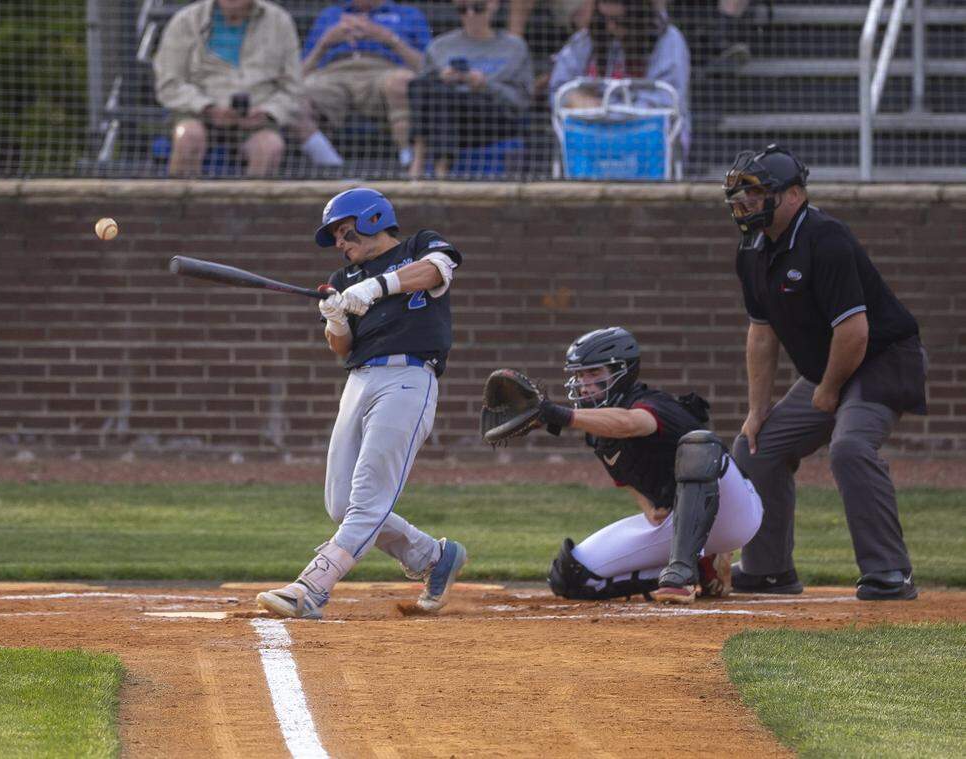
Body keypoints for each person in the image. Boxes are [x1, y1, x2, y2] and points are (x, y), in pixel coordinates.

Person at [726, 145, 927, 601]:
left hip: (883, 359)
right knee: (755, 449)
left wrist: (830, 389)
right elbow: (761, 334)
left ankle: (889, 572)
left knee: (851, 446)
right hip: (832, 368)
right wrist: (757, 411)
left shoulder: (826, 238)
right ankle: (768, 569)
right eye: (741, 195)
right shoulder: (752, 250)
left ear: (794, 195)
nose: (746, 205)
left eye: (757, 194)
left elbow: (855, 331)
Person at [256, 188, 467, 620]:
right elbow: (341, 346)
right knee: (340, 504)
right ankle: (432, 556)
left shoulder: (418, 245)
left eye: (344, 232)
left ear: (373, 220)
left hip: (408, 378)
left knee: (368, 501)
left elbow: (435, 271)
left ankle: (312, 588)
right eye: (335, 235)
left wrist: (378, 286)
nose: (340, 243)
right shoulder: (341, 279)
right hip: (359, 381)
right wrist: (334, 317)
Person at [518, 327, 763, 604]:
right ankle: (704, 566)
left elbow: (629, 423)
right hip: (679, 521)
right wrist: (650, 509)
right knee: (571, 577)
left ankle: (680, 574)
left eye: (594, 373)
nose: (583, 384)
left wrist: (559, 415)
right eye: (579, 375)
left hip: (733, 510)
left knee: (699, 443)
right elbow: (627, 481)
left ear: (622, 372)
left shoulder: (649, 403)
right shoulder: (597, 429)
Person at [152, 0, 301, 178]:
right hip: (197, 111)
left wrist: (268, 112)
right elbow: (169, 83)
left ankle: (250, 204)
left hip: (257, 115)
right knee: (188, 135)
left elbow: (293, 88)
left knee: (270, 146)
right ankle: (180, 203)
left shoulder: (280, 22)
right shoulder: (186, 20)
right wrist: (208, 108)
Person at [292, 0, 431, 170]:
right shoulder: (330, 15)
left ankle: (407, 161)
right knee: (294, 97)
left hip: (384, 71)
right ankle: (333, 167)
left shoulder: (408, 14)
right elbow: (300, 73)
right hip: (333, 73)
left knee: (402, 82)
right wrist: (324, 43)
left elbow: (426, 68)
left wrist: (389, 38)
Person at [406, 0, 533, 179]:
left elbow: (521, 101)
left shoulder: (514, 47)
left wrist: (485, 84)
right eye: (463, 9)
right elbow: (424, 89)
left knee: (442, 96)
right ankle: (423, 161)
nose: (470, 15)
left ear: (493, 5)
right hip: (447, 117)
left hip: (494, 118)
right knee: (420, 85)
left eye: (478, 8)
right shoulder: (440, 46)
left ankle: (434, 168)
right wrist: (443, 78)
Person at [549, 0, 690, 159]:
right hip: (593, 143)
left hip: (646, 144)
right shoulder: (586, 40)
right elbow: (559, 90)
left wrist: (602, 109)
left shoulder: (668, 40)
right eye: (605, 19)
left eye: (618, 21)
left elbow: (662, 103)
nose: (610, 27)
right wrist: (572, 98)